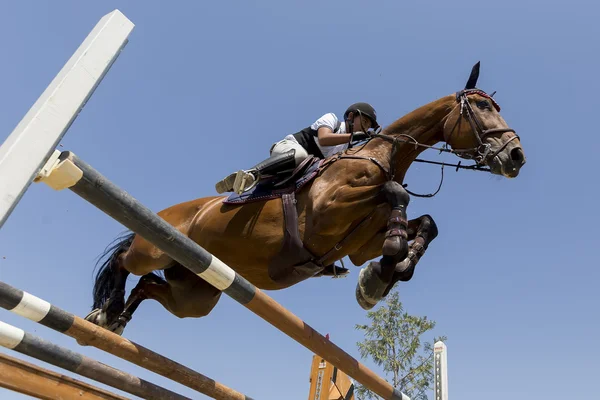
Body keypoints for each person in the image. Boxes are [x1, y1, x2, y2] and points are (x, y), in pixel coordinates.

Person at [215, 102, 380, 195]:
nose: (364, 129)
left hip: (301, 172)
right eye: (364, 123)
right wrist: (353, 137)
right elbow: (323, 139)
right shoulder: (332, 119)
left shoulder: (346, 148)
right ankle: (251, 174)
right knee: (301, 155)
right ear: (351, 117)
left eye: (367, 127)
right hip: (289, 149)